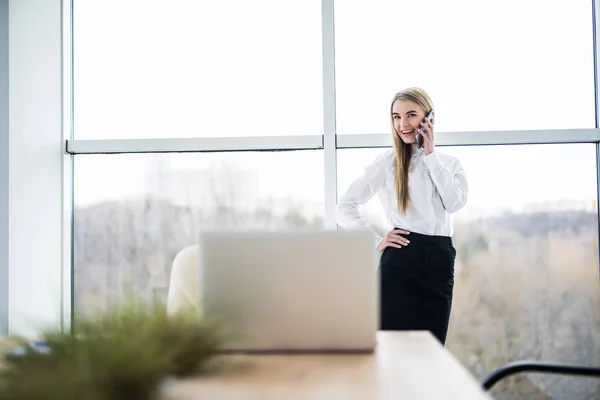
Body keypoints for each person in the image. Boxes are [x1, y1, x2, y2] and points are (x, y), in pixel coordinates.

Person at [335, 87, 468, 345]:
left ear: (429, 118)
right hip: (401, 259)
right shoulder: (387, 162)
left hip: (440, 261)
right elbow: (345, 206)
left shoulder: (449, 164)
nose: (403, 124)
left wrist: (430, 155)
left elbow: (454, 202)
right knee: (388, 349)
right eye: (396, 117)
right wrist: (376, 241)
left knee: (431, 351)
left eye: (410, 115)